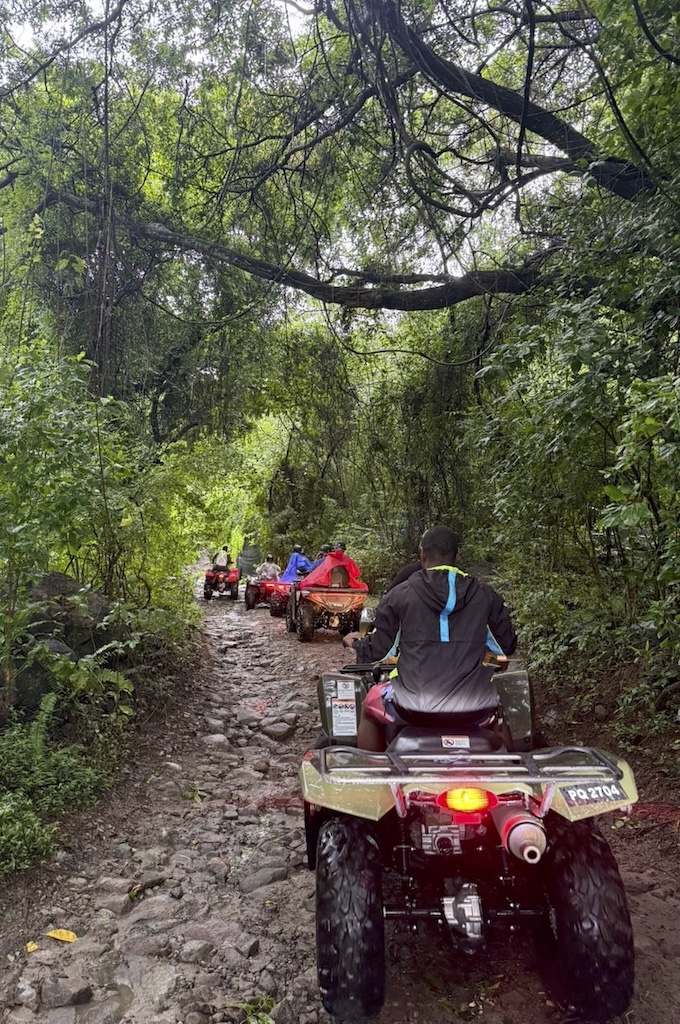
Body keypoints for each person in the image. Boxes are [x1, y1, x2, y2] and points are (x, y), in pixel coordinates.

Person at [342, 525, 517, 751]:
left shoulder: (399, 595)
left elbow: (380, 651)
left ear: (422, 555)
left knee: (370, 703)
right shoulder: (486, 596)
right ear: (457, 555)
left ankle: (371, 770)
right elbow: (505, 646)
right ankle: (512, 766)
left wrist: (356, 643)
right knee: (503, 711)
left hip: (412, 704)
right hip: (474, 704)